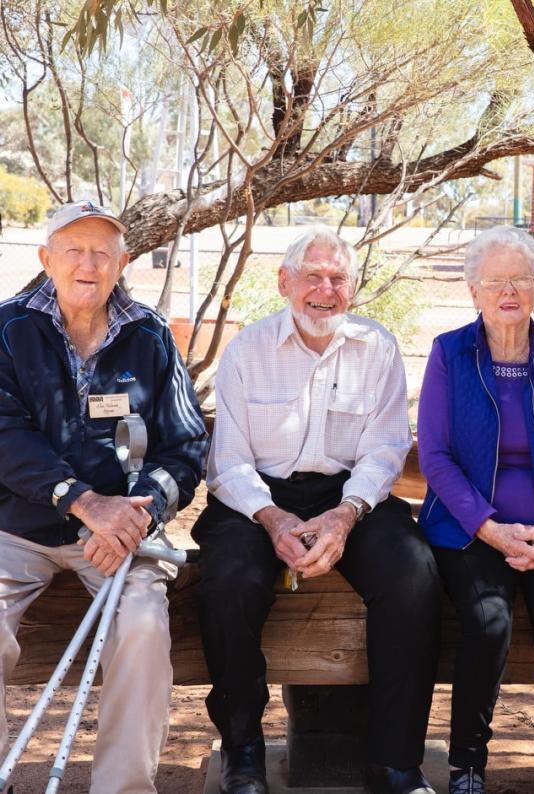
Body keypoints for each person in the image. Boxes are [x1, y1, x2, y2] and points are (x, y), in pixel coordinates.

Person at [194, 226, 441, 794]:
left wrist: (345, 514)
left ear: (352, 287)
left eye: (338, 278)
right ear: (285, 282)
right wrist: (272, 517)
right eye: (313, 276)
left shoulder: (377, 347)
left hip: (349, 495)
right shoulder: (248, 349)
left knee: (414, 572)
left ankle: (394, 762)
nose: (325, 290)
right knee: (228, 580)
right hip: (259, 497)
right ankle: (243, 754)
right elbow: (228, 461)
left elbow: (385, 450)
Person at [0, 200, 208, 794]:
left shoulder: (150, 335)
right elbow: (5, 434)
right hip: (19, 530)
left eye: (101, 253)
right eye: (73, 250)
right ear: (46, 259)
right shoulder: (7, 330)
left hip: (124, 532)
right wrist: (82, 501)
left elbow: (185, 444)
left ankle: (123, 788)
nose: (87, 265)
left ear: (123, 263)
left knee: (142, 626)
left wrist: (135, 517)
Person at [417, 226, 534, 794]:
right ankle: (467, 766)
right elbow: (435, 455)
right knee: (488, 623)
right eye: (495, 281)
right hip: (470, 533)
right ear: (473, 291)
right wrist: (492, 529)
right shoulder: (450, 353)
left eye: (521, 279)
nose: (509, 291)